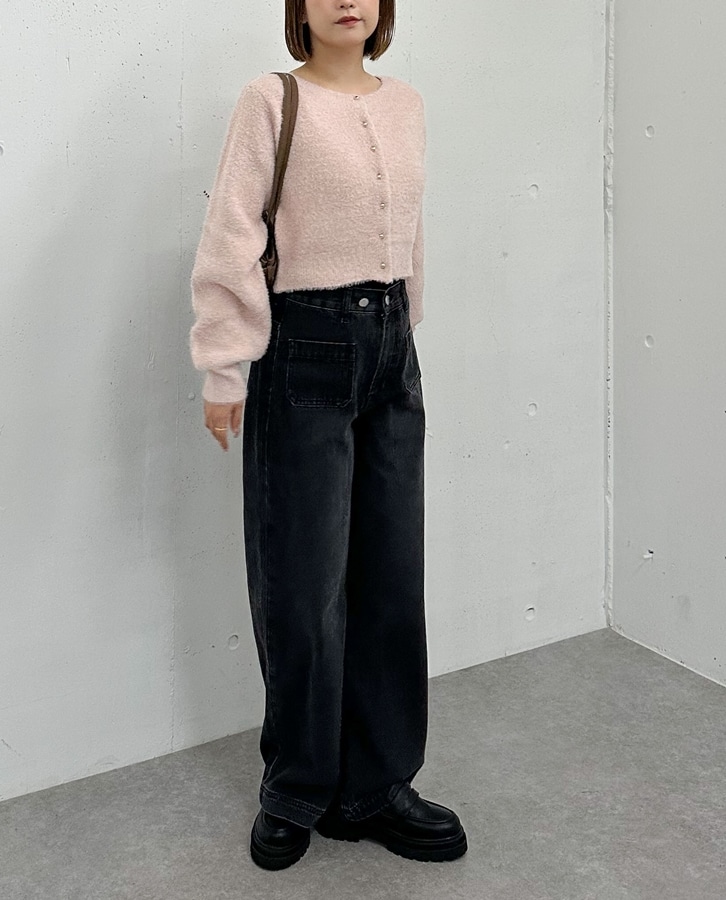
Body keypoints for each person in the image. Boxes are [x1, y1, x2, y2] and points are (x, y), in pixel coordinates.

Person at [189, 0, 467, 871]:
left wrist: (402, 332)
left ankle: (376, 787)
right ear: (298, 7)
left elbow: (410, 230)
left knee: (391, 577)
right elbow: (232, 233)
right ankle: (296, 788)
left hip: (392, 351)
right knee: (302, 584)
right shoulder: (271, 100)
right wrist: (224, 368)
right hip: (305, 345)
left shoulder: (407, 104)